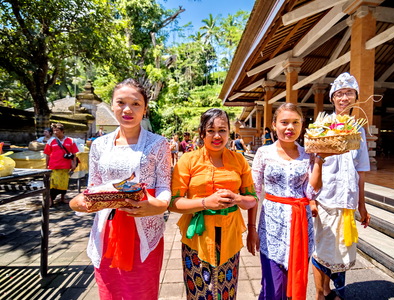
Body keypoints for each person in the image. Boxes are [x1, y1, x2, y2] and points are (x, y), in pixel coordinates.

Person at [69, 78, 171, 299]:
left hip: (144, 229)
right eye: (121, 102)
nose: (128, 109)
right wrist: (82, 202)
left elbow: (164, 185)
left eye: (135, 104)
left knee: (142, 292)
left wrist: (160, 205)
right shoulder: (99, 145)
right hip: (107, 231)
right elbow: (94, 187)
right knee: (110, 292)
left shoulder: (158, 144)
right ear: (112, 105)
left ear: (145, 109)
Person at [170, 108, 257, 300]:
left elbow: (252, 199)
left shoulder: (239, 160)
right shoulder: (188, 161)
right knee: (199, 293)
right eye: (211, 130)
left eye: (222, 130)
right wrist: (204, 202)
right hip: (197, 238)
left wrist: (239, 202)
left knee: (227, 291)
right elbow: (173, 203)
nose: (217, 136)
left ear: (229, 133)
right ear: (202, 133)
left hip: (230, 236)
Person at [247, 103, 332, 300]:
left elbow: (311, 192)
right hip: (271, 226)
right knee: (272, 284)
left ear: (302, 125)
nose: (289, 128)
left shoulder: (307, 154)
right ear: (274, 124)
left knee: (293, 282)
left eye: (295, 122)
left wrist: (319, 161)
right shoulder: (263, 153)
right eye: (284, 122)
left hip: (300, 225)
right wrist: (251, 228)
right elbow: (253, 193)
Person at [311, 72, 371, 300]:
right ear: (332, 98)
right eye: (339, 94)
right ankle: (319, 294)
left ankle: (329, 290)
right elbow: (311, 164)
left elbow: (361, 171)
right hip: (325, 199)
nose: (344, 98)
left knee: (341, 251)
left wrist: (362, 205)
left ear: (355, 97)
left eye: (349, 93)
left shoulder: (359, 129)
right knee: (322, 249)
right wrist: (311, 198)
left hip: (347, 201)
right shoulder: (322, 125)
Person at [44, 123, 78, 205]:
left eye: (57, 130)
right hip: (54, 166)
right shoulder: (51, 141)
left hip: (65, 166)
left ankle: (63, 198)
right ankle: (51, 200)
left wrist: (74, 164)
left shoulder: (71, 140)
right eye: (54, 130)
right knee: (53, 184)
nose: (55, 132)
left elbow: (74, 154)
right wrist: (46, 166)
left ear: (62, 131)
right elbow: (47, 154)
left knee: (64, 183)